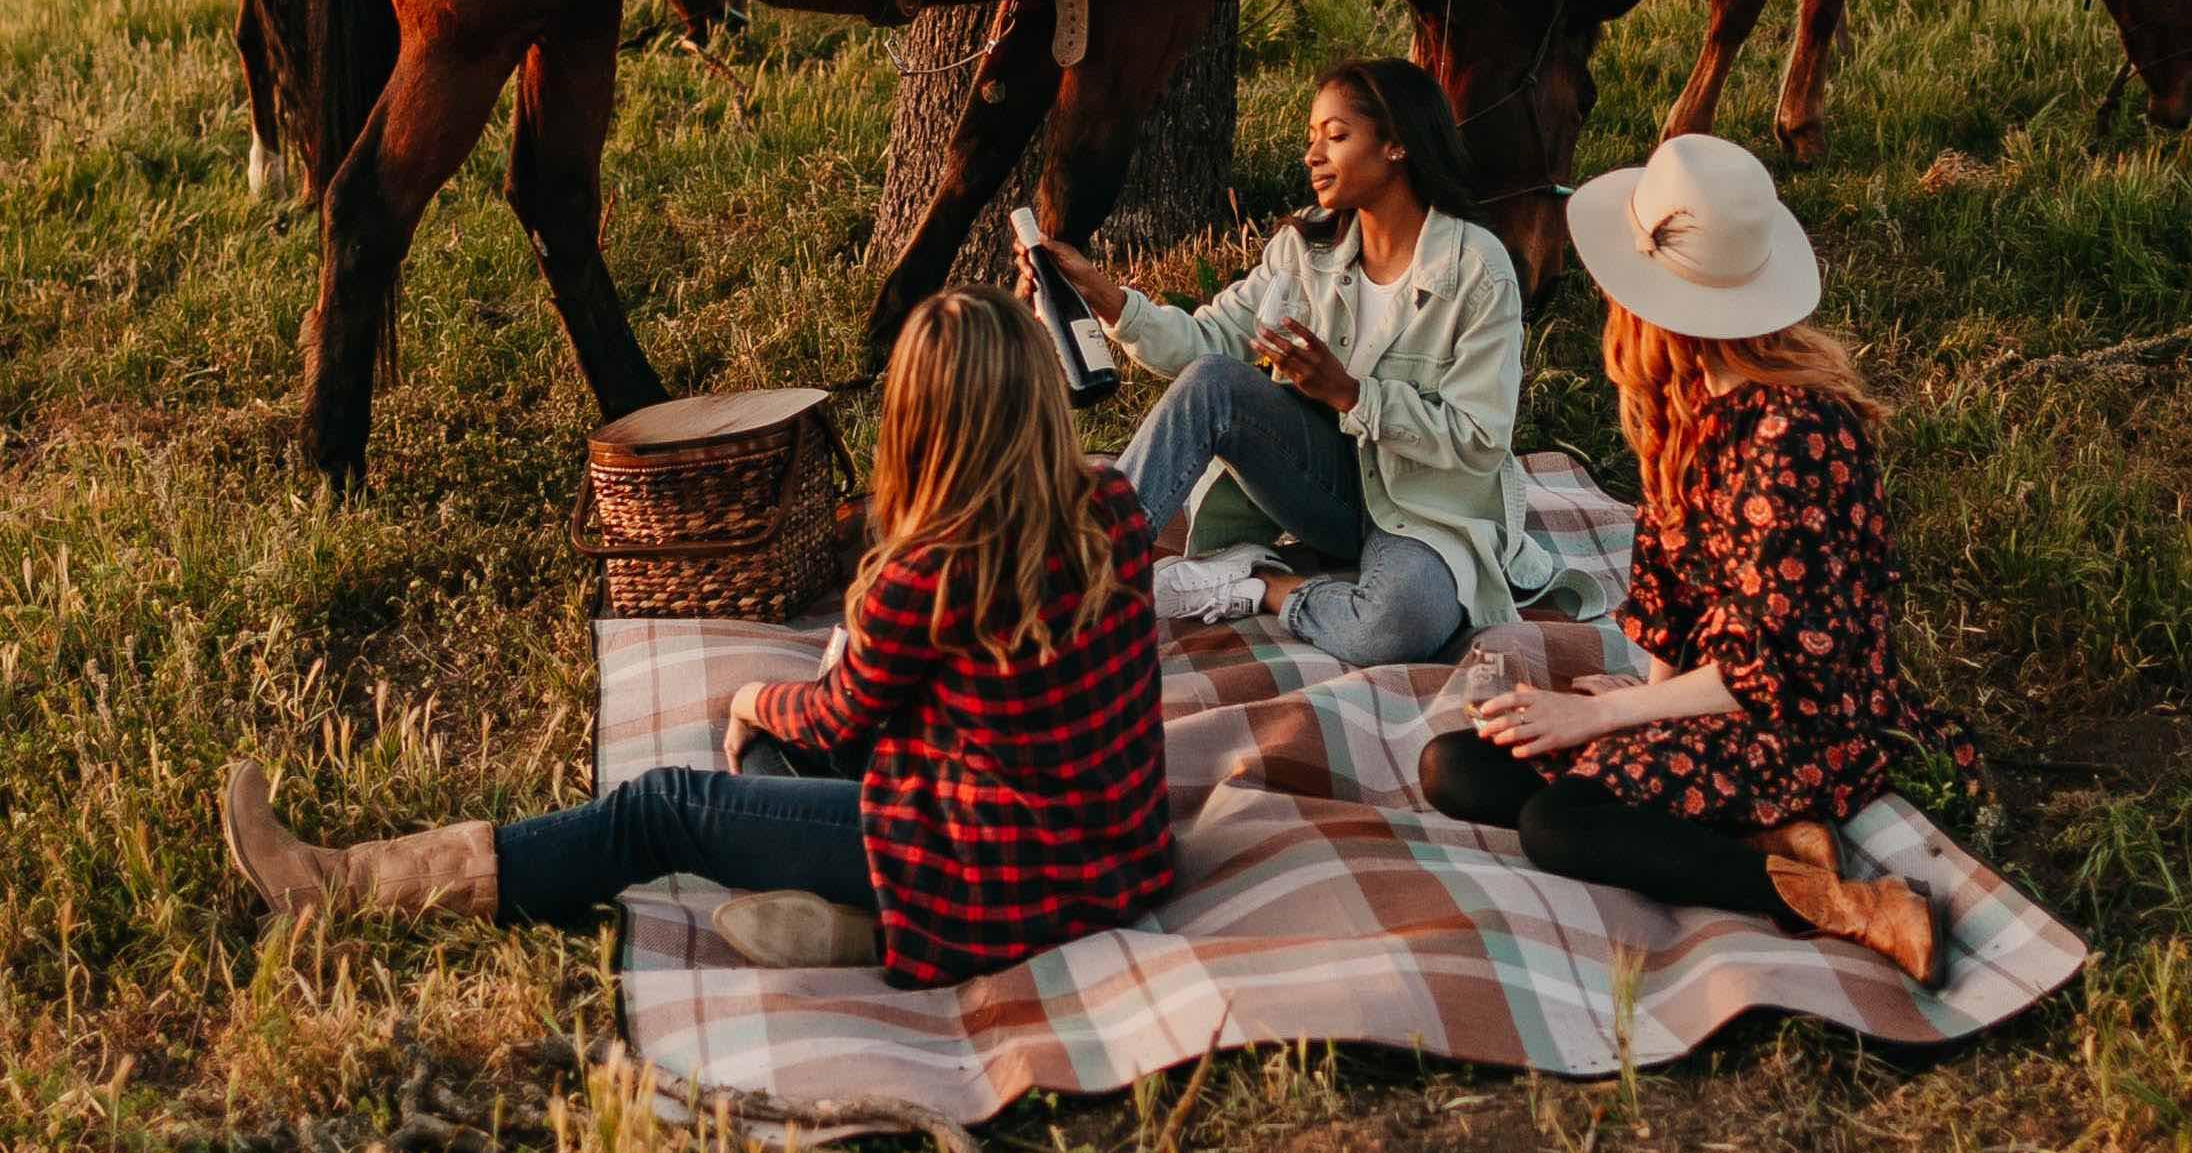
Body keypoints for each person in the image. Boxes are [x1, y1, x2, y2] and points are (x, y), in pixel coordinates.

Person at [221, 289, 1174, 984]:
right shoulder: (1114, 505)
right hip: (1116, 857)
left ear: (918, 424)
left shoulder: (927, 575)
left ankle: (348, 882)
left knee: (675, 801)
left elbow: (836, 715)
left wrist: (762, 698)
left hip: (992, 866)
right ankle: (856, 927)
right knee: (783, 749)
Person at [1419, 134, 1979, 983]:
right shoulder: (1689, 400)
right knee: (1455, 766)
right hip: (1718, 698)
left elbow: (1773, 666)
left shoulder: (1794, 436)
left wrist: (1602, 720)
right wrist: (1647, 703)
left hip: (1804, 718)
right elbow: (1669, 590)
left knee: (1559, 825)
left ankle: (1843, 902)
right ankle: (1765, 832)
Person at [1025, 58, 1587, 666]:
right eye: (1312, 138)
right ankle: (1083, 587)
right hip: (1323, 491)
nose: (1313, 155)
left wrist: (1350, 393)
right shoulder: (1303, 249)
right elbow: (1203, 343)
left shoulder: (1477, 269)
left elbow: (1481, 439)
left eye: (1336, 136)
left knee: (1393, 629)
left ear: (1397, 144)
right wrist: (1105, 297)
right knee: (1212, 380)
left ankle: (1260, 583)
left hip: (1426, 512)